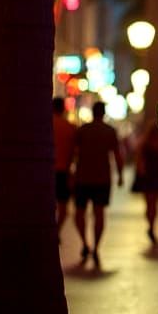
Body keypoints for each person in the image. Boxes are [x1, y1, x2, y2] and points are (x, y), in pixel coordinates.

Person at [72, 102, 124, 267]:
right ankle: (96, 247)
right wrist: (120, 175)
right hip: (102, 178)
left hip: (82, 176)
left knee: (79, 213)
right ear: (103, 114)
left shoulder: (82, 130)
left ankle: (84, 243)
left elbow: (74, 153)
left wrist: (69, 173)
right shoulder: (110, 132)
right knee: (99, 213)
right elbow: (117, 155)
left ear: (93, 113)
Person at [53, 97, 77, 240]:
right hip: (63, 170)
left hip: (45, 171)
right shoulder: (69, 127)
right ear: (63, 108)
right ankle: (56, 231)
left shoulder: (44, 124)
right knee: (63, 208)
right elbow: (74, 153)